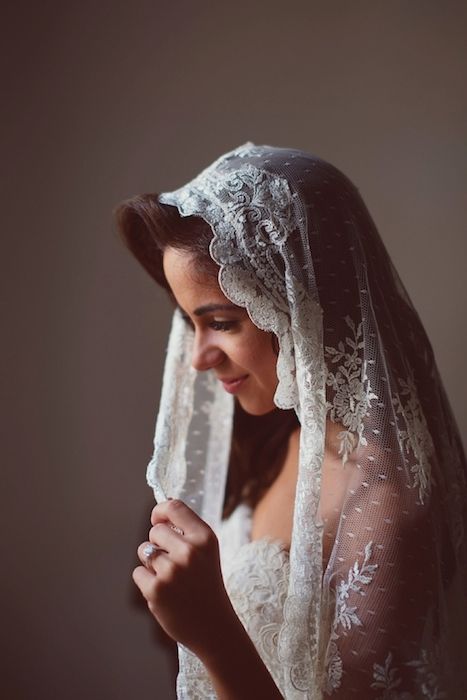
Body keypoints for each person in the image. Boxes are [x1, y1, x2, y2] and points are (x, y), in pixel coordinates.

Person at [116, 143, 467, 699]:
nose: (198, 357)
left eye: (222, 323)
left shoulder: (386, 505)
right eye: (190, 324)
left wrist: (213, 634)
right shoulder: (280, 438)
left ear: (304, 308)